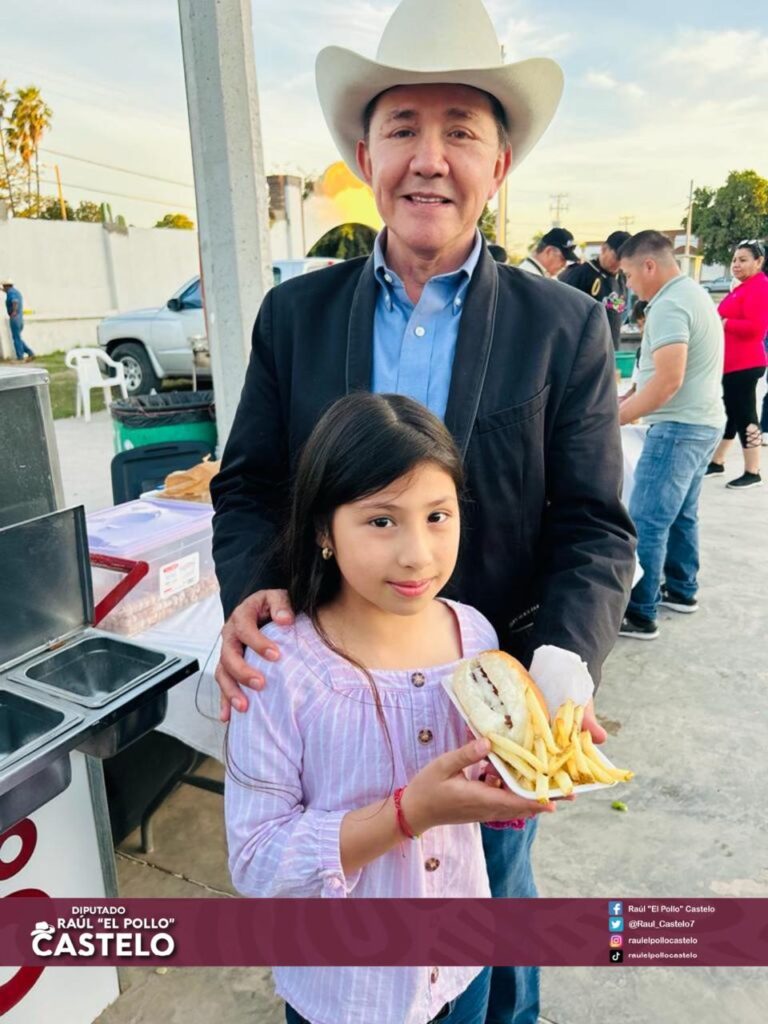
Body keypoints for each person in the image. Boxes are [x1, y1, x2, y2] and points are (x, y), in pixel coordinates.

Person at [212, 2, 636, 1021]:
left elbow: (593, 524)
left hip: (491, 718)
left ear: (500, 165)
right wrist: (254, 591)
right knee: (350, 951)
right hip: (337, 723)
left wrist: (561, 669)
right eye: (404, 127)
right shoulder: (295, 315)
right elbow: (250, 484)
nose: (430, 158)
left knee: (492, 944)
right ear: (366, 152)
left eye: (462, 130)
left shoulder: (565, 325)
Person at [226, 392, 556, 1024]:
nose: (418, 555)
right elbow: (256, 859)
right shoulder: (279, 669)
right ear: (324, 529)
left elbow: (478, 790)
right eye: (382, 521)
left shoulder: (478, 639)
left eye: (438, 516)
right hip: (346, 992)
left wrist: (518, 787)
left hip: (464, 966)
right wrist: (410, 813)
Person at [617, 231, 724, 639]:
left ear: (649, 265)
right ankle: (681, 589)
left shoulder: (669, 305)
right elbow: (657, 375)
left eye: (628, 275)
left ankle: (641, 611)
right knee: (681, 514)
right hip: (702, 424)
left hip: (678, 428)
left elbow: (668, 381)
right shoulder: (691, 295)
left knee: (646, 519)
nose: (627, 285)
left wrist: (620, 417)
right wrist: (626, 398)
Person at [704, 240, 768, 489]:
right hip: (731, 364)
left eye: (743, 260)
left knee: (745, 414)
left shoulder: (760, 287)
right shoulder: (743, 287)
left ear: (759, 262)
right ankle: (717, 461)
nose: (736, 265)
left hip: (745, 363)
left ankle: (753, 470)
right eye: (734, 260)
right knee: (730, 414)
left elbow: (756, 329)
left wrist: (724, 322)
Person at [560, 231, 631, 349]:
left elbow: (619, 312)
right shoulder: (579, 274)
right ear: (604, 249)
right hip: (583, 347)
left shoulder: (623, 278)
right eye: (616, 257)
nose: (619, 264)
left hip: (611, 347)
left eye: (624, 260)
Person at [2, 278, 34, 361]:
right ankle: (30, 352)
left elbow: (14, 301)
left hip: (15, 318)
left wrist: (14, 312)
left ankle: (20, 356)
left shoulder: (11, 293)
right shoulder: (15, 291)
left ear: (6, 286)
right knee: (18, 337)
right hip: (19, 318)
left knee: (16, 338)